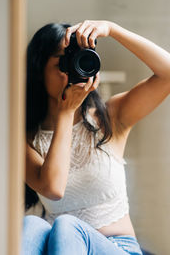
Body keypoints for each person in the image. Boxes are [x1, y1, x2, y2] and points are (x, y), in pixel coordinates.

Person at [22, 20, 170, 255]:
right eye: (64, 62)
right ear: (39, 70)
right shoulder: (25, 140)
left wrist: (113, 30)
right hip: (62, 248)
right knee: (31, 224)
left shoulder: (111, 117)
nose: (73, 69)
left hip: (118, 248)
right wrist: (66, 111)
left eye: (79, 59)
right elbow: (53, 188)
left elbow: (167, 73)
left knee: (67, 225)